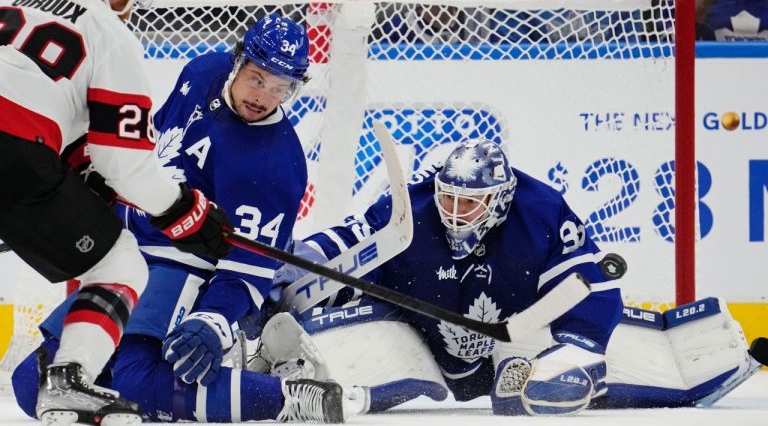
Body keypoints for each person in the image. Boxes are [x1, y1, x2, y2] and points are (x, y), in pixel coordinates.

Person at [12, 13, 354, 424]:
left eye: (280, 88)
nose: (263, 97)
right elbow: (150, 146)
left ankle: (290, 397)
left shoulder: (274, 165)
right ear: (237, 61)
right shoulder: (201, 71)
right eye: (258, 78)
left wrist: (213, 319)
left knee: (135, 379)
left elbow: (249, 268)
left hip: (183, 264)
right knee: (31, 384)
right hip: (127, 253)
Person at [270, 138, 760, 415]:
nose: (456, 214)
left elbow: (590, 282)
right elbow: (351, 238)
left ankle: (711, 352)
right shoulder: (412, 208)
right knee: (353, 362)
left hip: (519, 341)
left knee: (673, 363)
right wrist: (294, 262)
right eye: (449, 199)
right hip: (418, 339)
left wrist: (578, 350)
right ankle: (313, 385)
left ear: (500, 199)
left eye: (470, 203)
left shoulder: (541, 212)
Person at [0, 0, 233, 424]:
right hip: (14, 153)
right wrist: (185, 211)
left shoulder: (17, 2)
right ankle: (68, 381)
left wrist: (81, 171)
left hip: (20, 149)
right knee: (120, 266)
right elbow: (123, 162)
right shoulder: (108, 31)